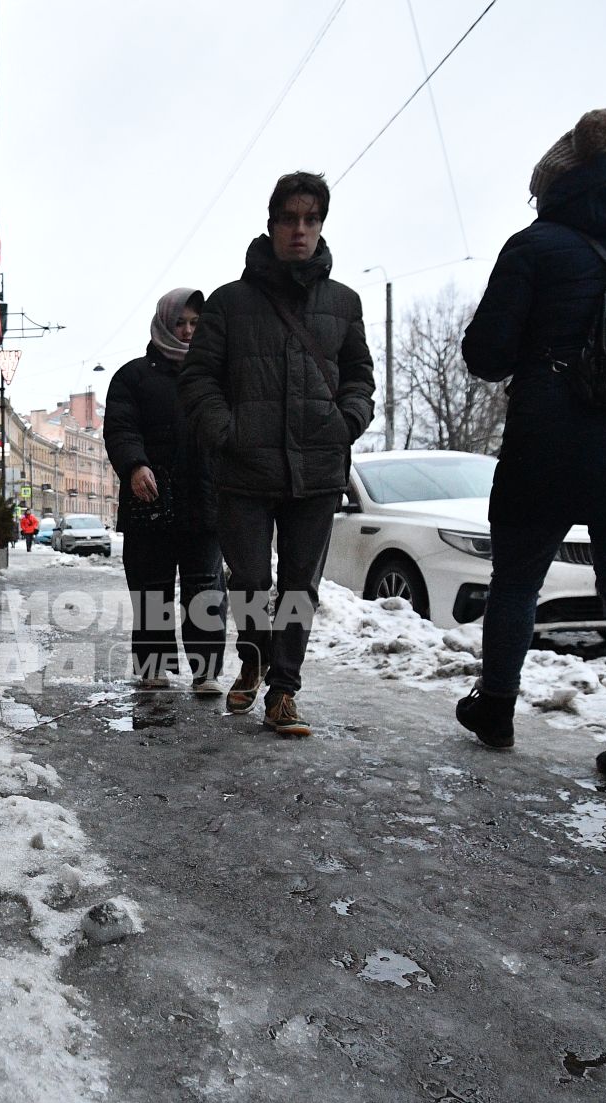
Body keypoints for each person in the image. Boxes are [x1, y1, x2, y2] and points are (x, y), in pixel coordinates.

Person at [457, 109, 606, 792]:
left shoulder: (534, 247)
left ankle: (496, 710)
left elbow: (487, 354)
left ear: (554, 187)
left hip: (549, 443)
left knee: (518, 581)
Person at [179, 171, 375, 735]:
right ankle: (253, 657)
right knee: (247, 581)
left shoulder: (344, 303)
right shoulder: (230, 302)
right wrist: (228, 430)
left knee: (298, 585)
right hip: (245, 469)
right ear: (271, 225)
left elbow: (360, 375)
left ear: (321, 226)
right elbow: (198, 379)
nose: (300, 229)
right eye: (289, 218)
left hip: (316, 467)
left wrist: (348, 421)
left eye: (311, 219)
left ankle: (283, 689)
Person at [104, 288, 227, 693]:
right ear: (163, 323)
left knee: (205, 588)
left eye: (195, 323)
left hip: (204, 499)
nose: (188, 330)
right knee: (151, 588)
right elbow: (121, 429)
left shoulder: (217, 376)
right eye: (180, 322)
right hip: (149, 500)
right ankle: (154, 665)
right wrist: (135, 465)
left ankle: (206, 671)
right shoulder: (132, 376)